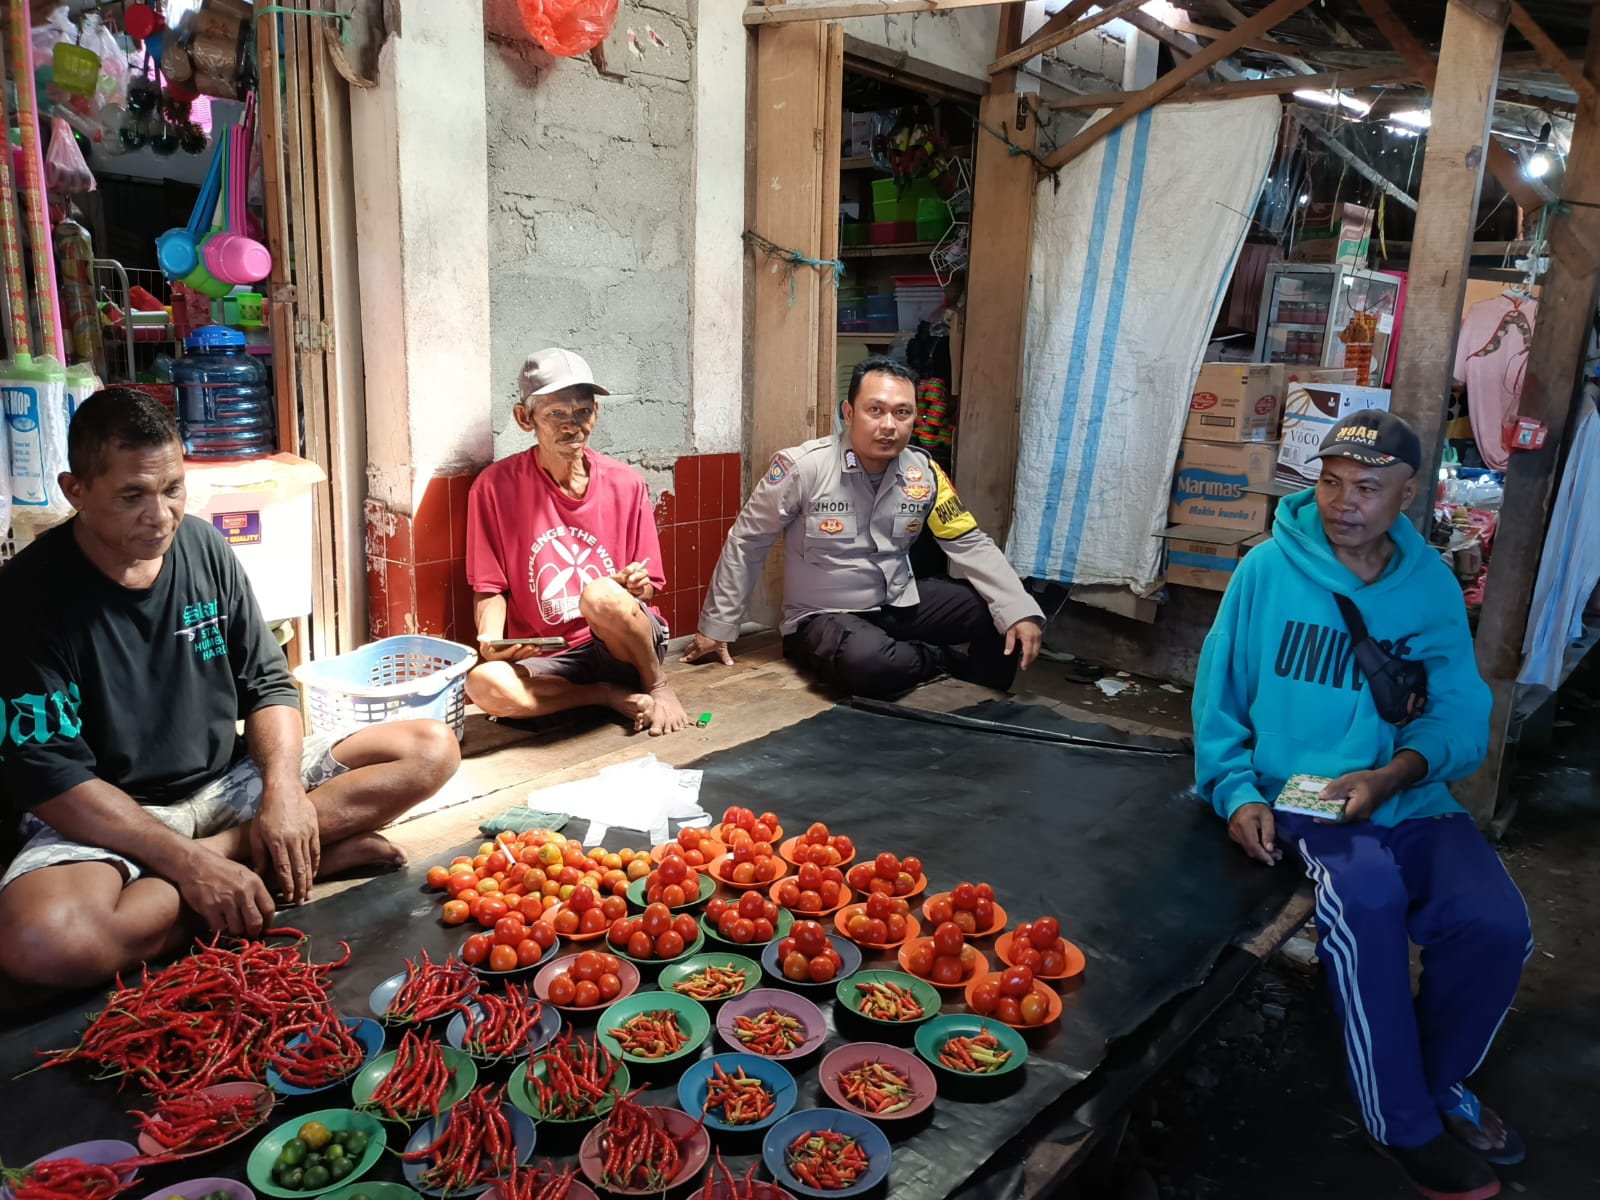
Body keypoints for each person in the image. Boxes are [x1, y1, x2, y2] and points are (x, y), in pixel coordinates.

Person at [0, 389, 461, 989]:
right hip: (116, 816)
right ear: (75, 490)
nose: (160, 515)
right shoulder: (27, 597)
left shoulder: (203, 547)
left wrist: (283, 791)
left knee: (431, 746)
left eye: (172, 489)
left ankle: (241, 862)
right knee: (45, 941)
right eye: (132, 496)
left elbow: (268, 684)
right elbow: (53, 780)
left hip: (226, 785)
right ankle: (270, 869)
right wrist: (186, 861)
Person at [1193, 410, 1532, 1200]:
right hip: (1305, 792)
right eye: (1332, 482)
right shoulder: (1267, 572)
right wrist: (1237, 789)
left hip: (1407, 791)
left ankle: (1436, 1079)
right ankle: (1401, 1122)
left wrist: (1394, 774)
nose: (1344, 503)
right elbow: (1219, 705)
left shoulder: (1430, 587)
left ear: (1409, 495)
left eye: (1368, 489)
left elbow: (1455, 712)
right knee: (1365, 898)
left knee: (1496, 924)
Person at [684, 357, 1043, 696]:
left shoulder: (924, 473)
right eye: (876, 410)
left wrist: (1019, 609)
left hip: (898, 603)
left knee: (998, 612)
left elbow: (969, 542)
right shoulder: (803, 468)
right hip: (823, 616)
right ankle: (934, 659)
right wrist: (718, 628)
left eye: (902, 413)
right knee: (869, 663)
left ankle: (986, 707)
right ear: (849, 413)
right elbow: (748, 541)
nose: (889, 425)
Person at [464, 348, 690, 736]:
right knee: (482, 684)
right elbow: (489, 587)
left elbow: (649, 589)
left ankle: (657, 685)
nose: (573, 426)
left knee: (600, 594)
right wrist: (490, 641)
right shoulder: (494, 488)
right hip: (552, 659)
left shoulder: (626, 483)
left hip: (622, 645)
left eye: (583, 412)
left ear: (596, 414)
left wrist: (638, 587)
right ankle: (604, 696)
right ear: (524, 419)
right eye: (556, 414)